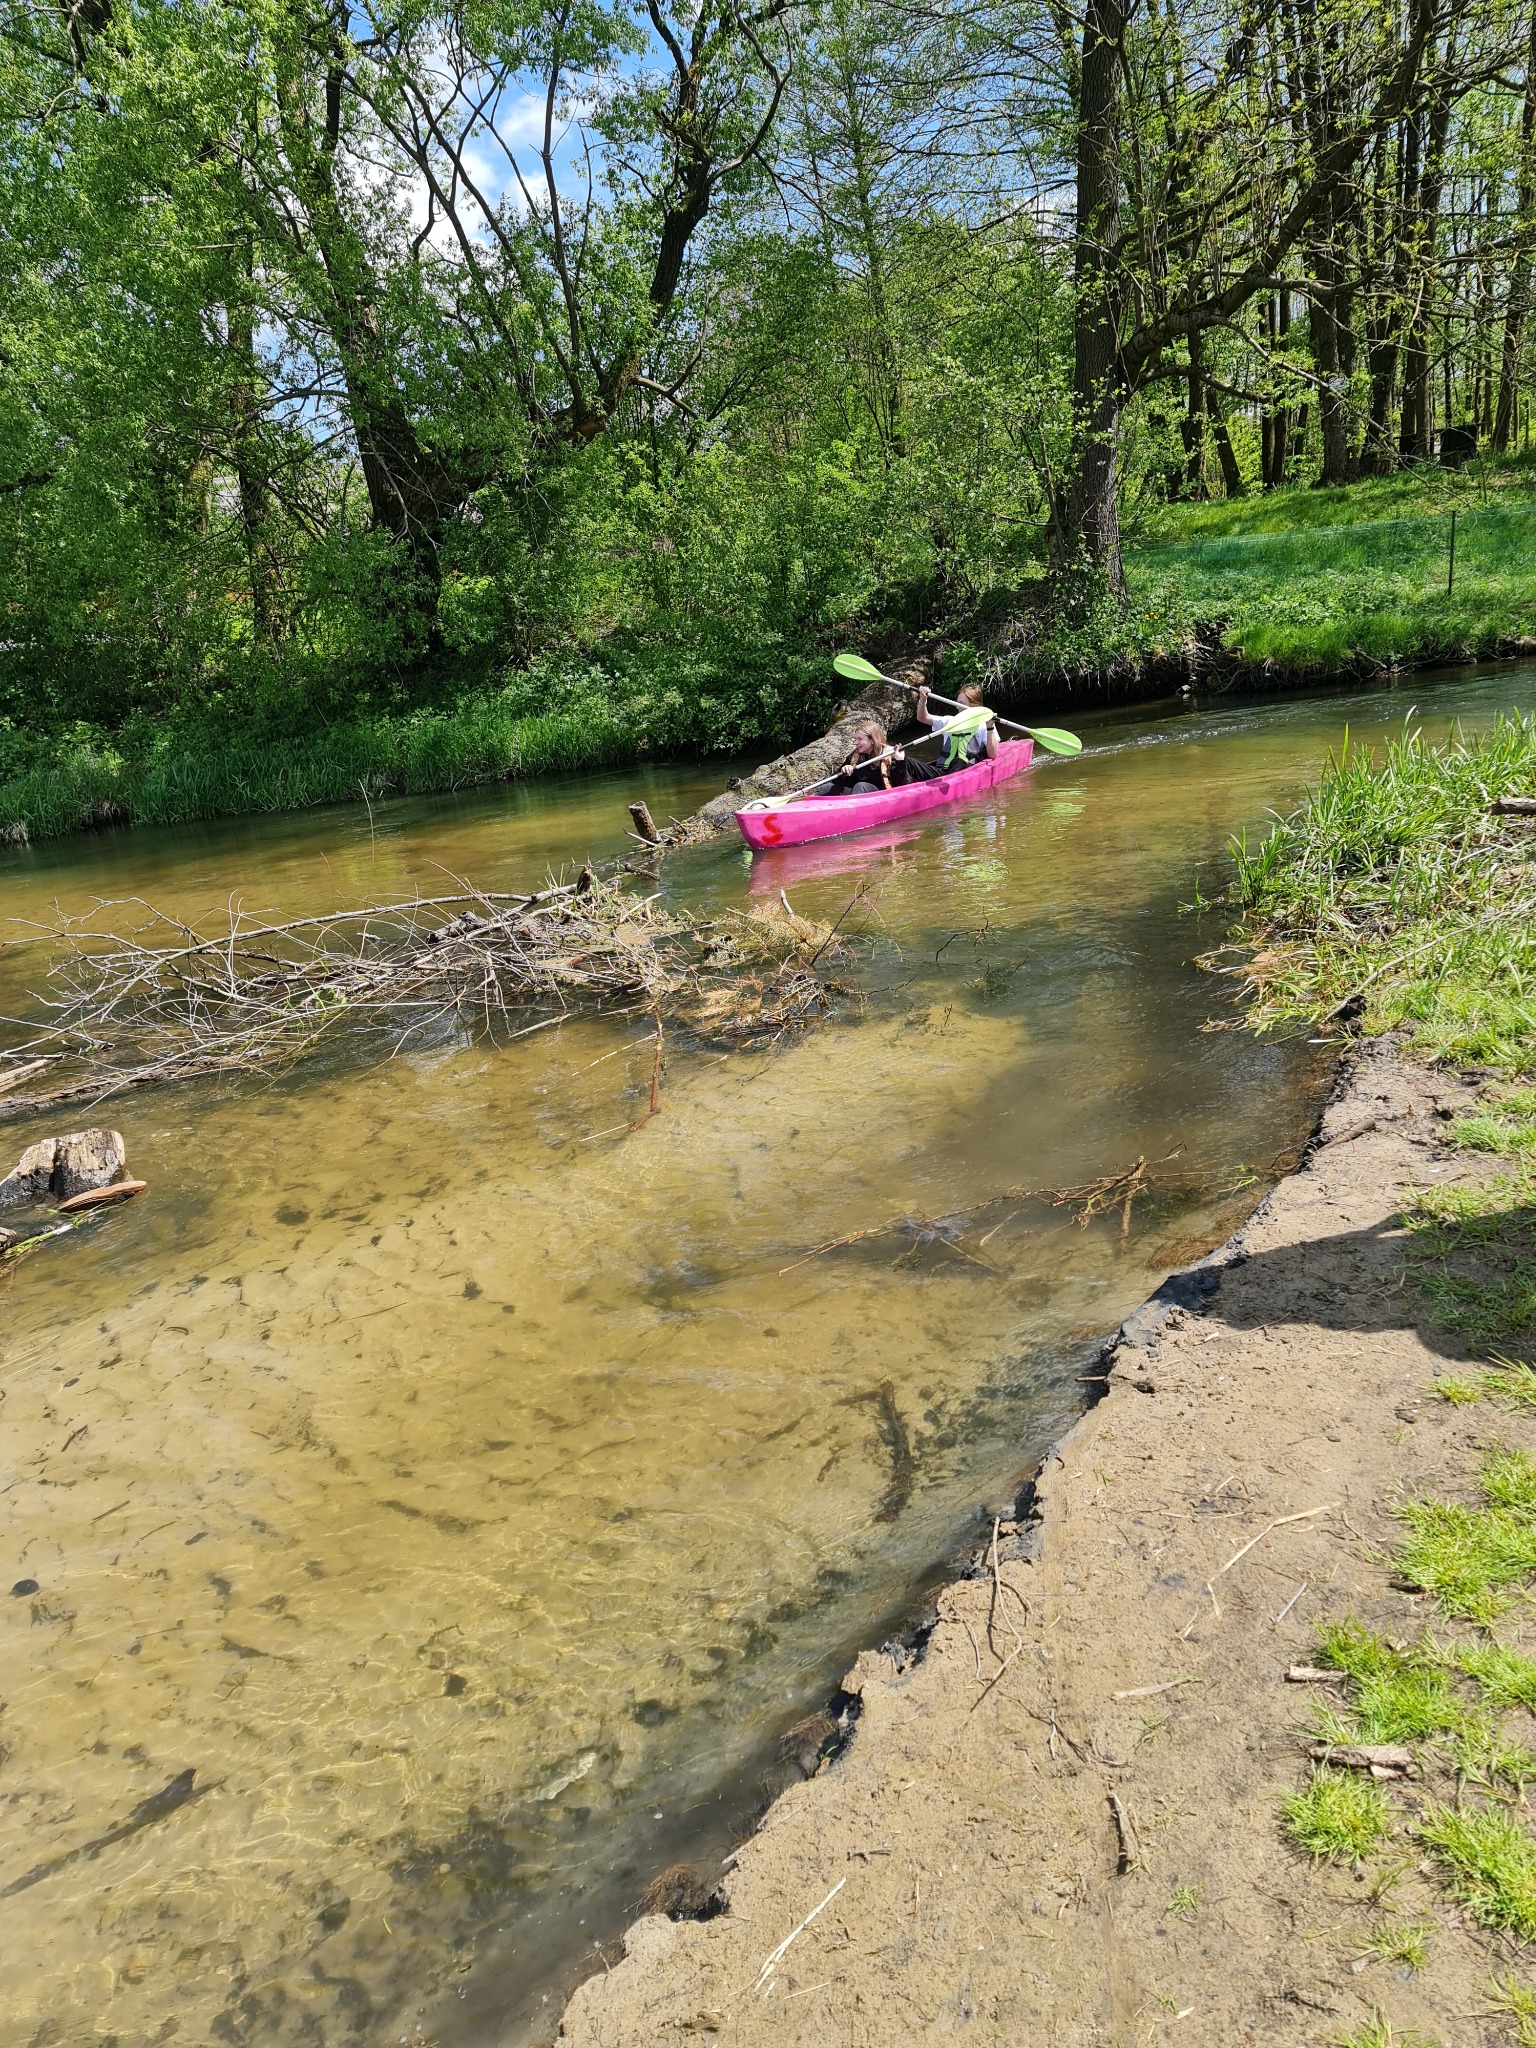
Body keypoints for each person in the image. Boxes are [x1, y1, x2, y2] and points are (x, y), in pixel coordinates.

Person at [914, 681, 999, 773]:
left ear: (974, 705)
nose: (957, 707)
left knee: (958, 761)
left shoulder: (984, 724)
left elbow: (993, 754)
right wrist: (923, 700)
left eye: (961, 703)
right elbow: (922, 718)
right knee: (908, 763)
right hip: (942, 771)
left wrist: (990, 727)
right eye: (956, 703)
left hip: (966, 771)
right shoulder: (950, 721)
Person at [824, 721, 920, 795]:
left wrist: (900, 762)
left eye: (860, 739)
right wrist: (844, 773)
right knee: (826, 788)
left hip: (880, 796)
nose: (855, 742)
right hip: (856, 794)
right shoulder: (854, 756)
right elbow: (836, 782)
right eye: (855, 739)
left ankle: (851, 812)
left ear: (872, 740)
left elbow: (902, 784)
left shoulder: (890, 755)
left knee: (861, 786)